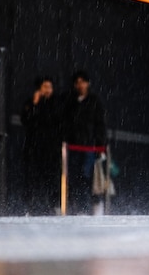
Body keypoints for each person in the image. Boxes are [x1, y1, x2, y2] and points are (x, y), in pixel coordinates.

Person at [63, 70, 107, 215]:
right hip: (74, 145)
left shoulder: (95, 101)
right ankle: (78, 207)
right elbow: (66, 123)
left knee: (86, 176)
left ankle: (88, 206)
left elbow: (100, 124)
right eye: (78, 82)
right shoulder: (70, 101)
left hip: (89, 146)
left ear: (88, 83)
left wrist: (100, 144)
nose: (80, 85)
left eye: (83, 81)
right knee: (74, 177)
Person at [21, 76, 62, 215]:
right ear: (39, 88)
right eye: (45, 87)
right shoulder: (32, 102)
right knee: (32, 179)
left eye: (50, 87)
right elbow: (26, 120)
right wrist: (35, 103)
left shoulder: (56, 103)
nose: (48, 90)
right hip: (34, 147)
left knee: (52, 179)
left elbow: (57, 120)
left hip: (51, 149)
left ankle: (54, 206)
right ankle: (30, 207)